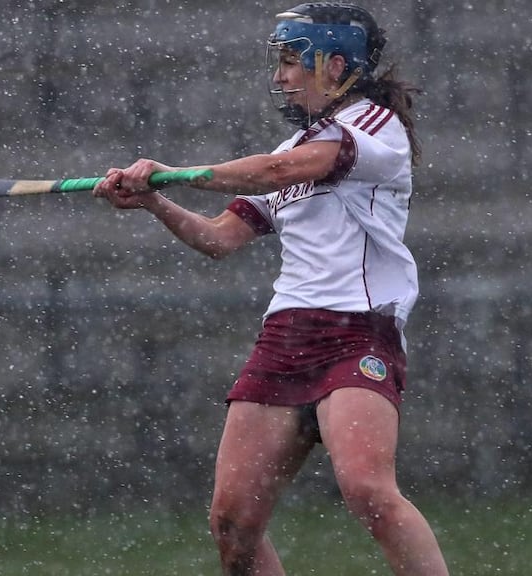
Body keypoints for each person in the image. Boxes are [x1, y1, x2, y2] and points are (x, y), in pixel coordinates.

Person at [93, 3, 449, 575]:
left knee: (367, 490)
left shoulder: (373, 127)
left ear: (335, 66)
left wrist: (172, 171)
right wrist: (154, 200)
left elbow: (276, 174)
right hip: (286, 335)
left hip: (358, 331)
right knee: (232, 525)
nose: (280, 77)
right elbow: (219, 238)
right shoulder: (292, 151)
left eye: (292, 62)